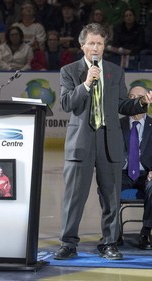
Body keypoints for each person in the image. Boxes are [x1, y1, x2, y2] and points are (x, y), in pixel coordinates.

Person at [54, 22, 152, 261]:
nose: (96, 47)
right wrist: (87, 83)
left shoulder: (115, 71)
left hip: (110, 142)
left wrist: (141, 103)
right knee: (74, 197)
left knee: (111, 197)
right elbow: (67, 104)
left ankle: (109, 243)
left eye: (100, 43)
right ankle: (68, 243)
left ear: (104, 46)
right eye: (91, 43)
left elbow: (122, 105)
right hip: (81, 143)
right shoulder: (69, 71)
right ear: (82, 46)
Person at [120, 86, 152, 250]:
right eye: (131, 97)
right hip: (122, 173)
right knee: (107, 185)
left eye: (138, 97)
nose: (134, 100)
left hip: (146, 173)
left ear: (147, 99)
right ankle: (113, 232)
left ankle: (146, 231)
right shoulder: (118, 125)